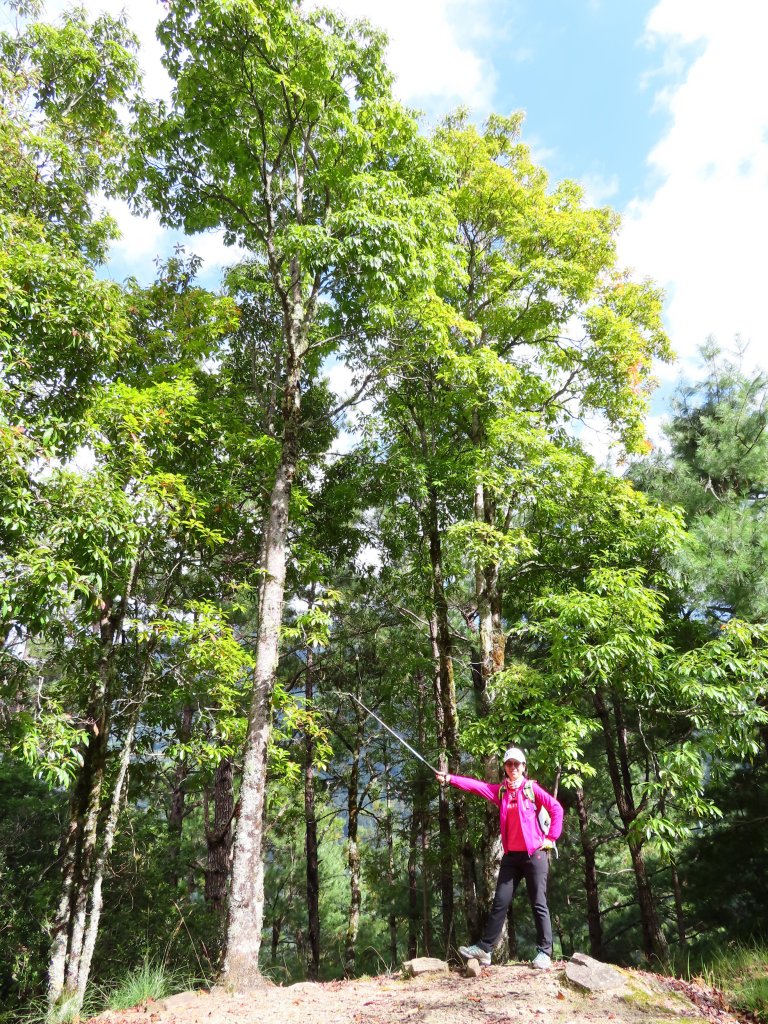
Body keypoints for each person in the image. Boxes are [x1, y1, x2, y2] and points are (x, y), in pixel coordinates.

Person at [435, 746, 563, 970]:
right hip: (511, 857)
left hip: (535, 855)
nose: (513, 768)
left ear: (524, 767)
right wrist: (450, 779)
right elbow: (477, 787)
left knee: (538, 903)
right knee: (500, 902)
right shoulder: (501, 792)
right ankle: (485, 950)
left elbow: (556, 809)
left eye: (517, 764)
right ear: (504, 767)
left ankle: (544, 952)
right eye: (509, 764)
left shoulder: (531, 789)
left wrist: (551, 838)